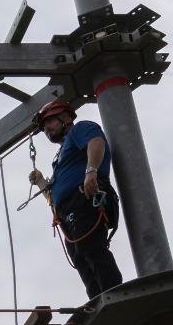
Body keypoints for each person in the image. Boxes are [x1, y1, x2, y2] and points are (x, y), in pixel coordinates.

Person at [26, 100, 123, 300]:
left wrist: (91, 171)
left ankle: (114, 294)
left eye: (50, 121)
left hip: (84, 200)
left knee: (90, 248)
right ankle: (97, 300)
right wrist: (41, 182)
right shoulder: (61, 156)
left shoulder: (80, 129)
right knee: (80, 259)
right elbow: (53, 199)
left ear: (65, 117)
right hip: (68, 211)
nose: (46, 129)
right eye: (44, 127)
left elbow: (96, 142)